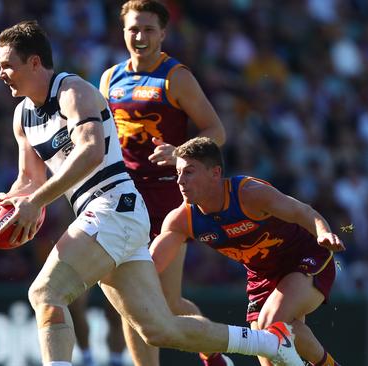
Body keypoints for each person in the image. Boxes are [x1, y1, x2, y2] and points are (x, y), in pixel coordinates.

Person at [0, 20, 303, 366]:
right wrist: (12, 201)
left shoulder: (74, 92)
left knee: (45, 293)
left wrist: (36, 201)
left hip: (113, 206)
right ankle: (269, 343)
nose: (0, 73)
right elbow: (28, 178)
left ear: (34, 62)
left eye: (6, 65)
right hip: (113, 216)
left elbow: (91, 151)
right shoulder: (22, 116)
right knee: (161, 329)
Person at [98, 1, 228, 365]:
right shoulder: (110, 78)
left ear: (163, 34)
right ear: (123, 32)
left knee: (168, 303)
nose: (140, 37)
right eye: (133, 29)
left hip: (167, 200)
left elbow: (216, 130)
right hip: (123, 197)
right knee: (131, 298)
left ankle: (215, 353)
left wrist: (181, 154)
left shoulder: (176, 77)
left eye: (148, 29)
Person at [150, 137, 345, 366]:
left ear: (215, 173)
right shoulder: (182, 220)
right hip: (262, 277)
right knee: (269, 352)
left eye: (189, 172)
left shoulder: (249, 194)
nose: (180, 181)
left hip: (305, 258)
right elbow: (151, 264)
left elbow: (301, 211)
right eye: (178, 173)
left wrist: (323, 232)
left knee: (270, 324)